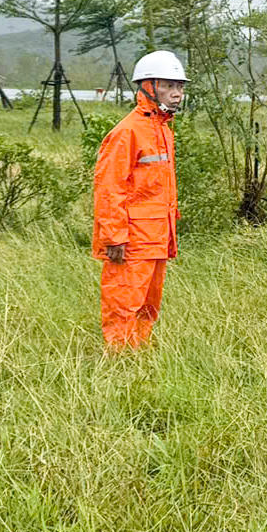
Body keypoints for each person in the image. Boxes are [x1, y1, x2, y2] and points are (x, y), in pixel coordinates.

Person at [92, 49, 186, 350]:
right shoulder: (127, 132)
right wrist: (114, 237)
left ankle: (139, 355)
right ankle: (119, 360)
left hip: (157, 237)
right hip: (131, 241)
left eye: (179, 86)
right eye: (168, 86)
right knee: (123, 304)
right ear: (148, 86)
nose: (177, 93)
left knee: (148, 305)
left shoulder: (163, 130)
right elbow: (109, 188)